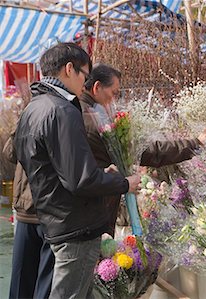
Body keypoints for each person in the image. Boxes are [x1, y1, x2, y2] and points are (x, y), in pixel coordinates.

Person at [13, 43, 141, 299]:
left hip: (52, 217)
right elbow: (81, 179)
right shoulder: (62, 110)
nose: (84, 83)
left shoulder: (33, 108)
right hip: (74, 224)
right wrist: (124, 183)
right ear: (69, 69)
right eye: (84, 73)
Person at [80, 63, 206, 235]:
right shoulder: (93, 120)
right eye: (114, 93)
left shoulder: (83, 112)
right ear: (97, 87)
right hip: (94, 209)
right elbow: (146, 151)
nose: (115, 101)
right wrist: (195, 143)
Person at [4, 130, 54, 299]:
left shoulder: (30, 115)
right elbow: (10, 152)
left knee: (22, 281)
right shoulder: (59, 112)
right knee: (43, 282)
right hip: (47, 209)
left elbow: (10, 153)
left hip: (29, 209)